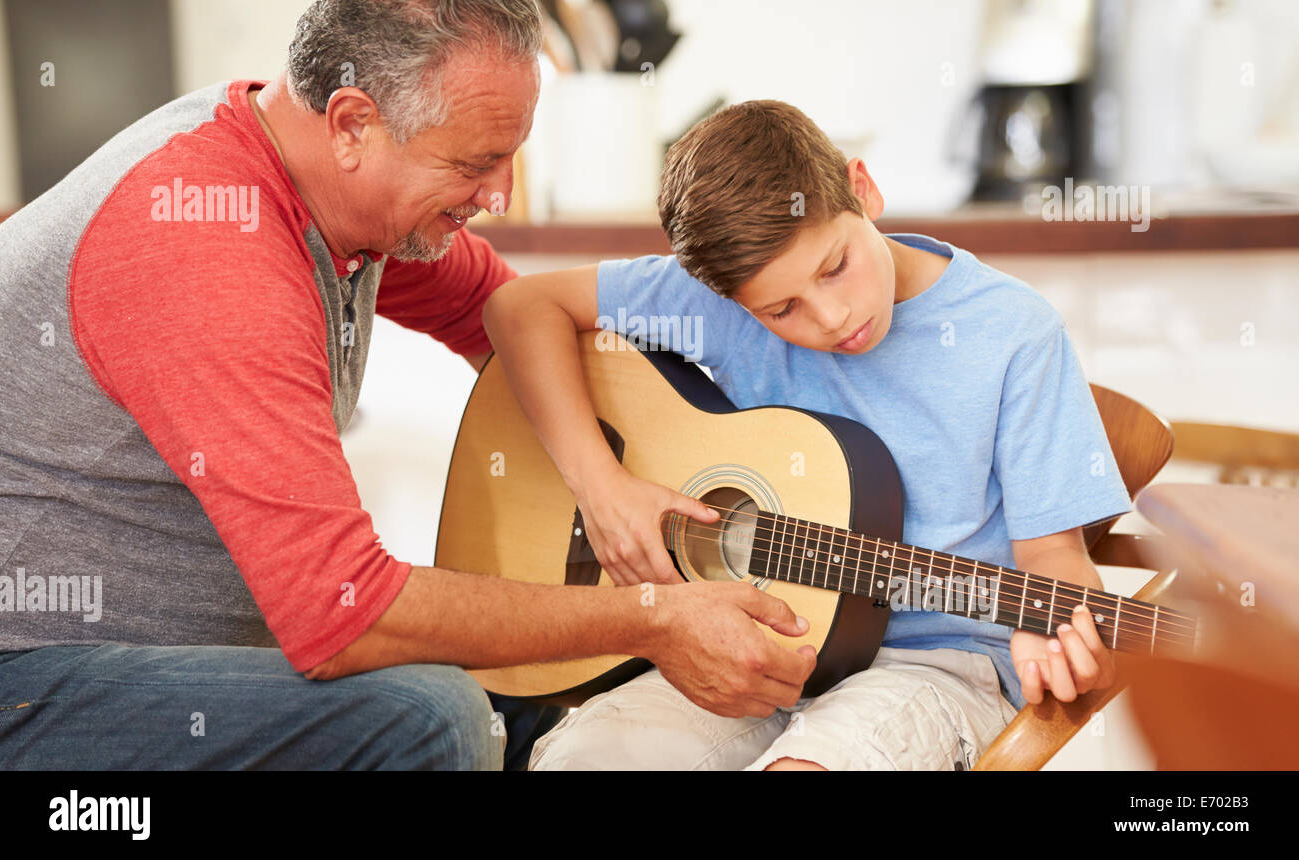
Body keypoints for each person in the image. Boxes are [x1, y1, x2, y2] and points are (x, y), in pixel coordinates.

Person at [0, 0, 814, 771]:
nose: (499, 197)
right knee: (431, 713)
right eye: (474, 164)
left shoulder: (321, 179)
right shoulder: (210, 247)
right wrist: (651, 615)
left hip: (188, 655)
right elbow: (342, 614)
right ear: (354, 122)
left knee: (545, 701)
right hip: (27, 679)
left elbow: (499, 313)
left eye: (511, 159)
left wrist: (609, 480)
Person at [482, 99, 1133, 770]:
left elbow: (1054, 560)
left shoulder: (1013, 332)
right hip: (751, 643)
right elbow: (520, 307)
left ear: (863, 190)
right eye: (781, 308)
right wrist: (602, 487)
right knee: (581, 760)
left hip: (940, 667)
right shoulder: (719, 303)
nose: (830, 316)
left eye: (835, 266)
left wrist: (1052, 633)